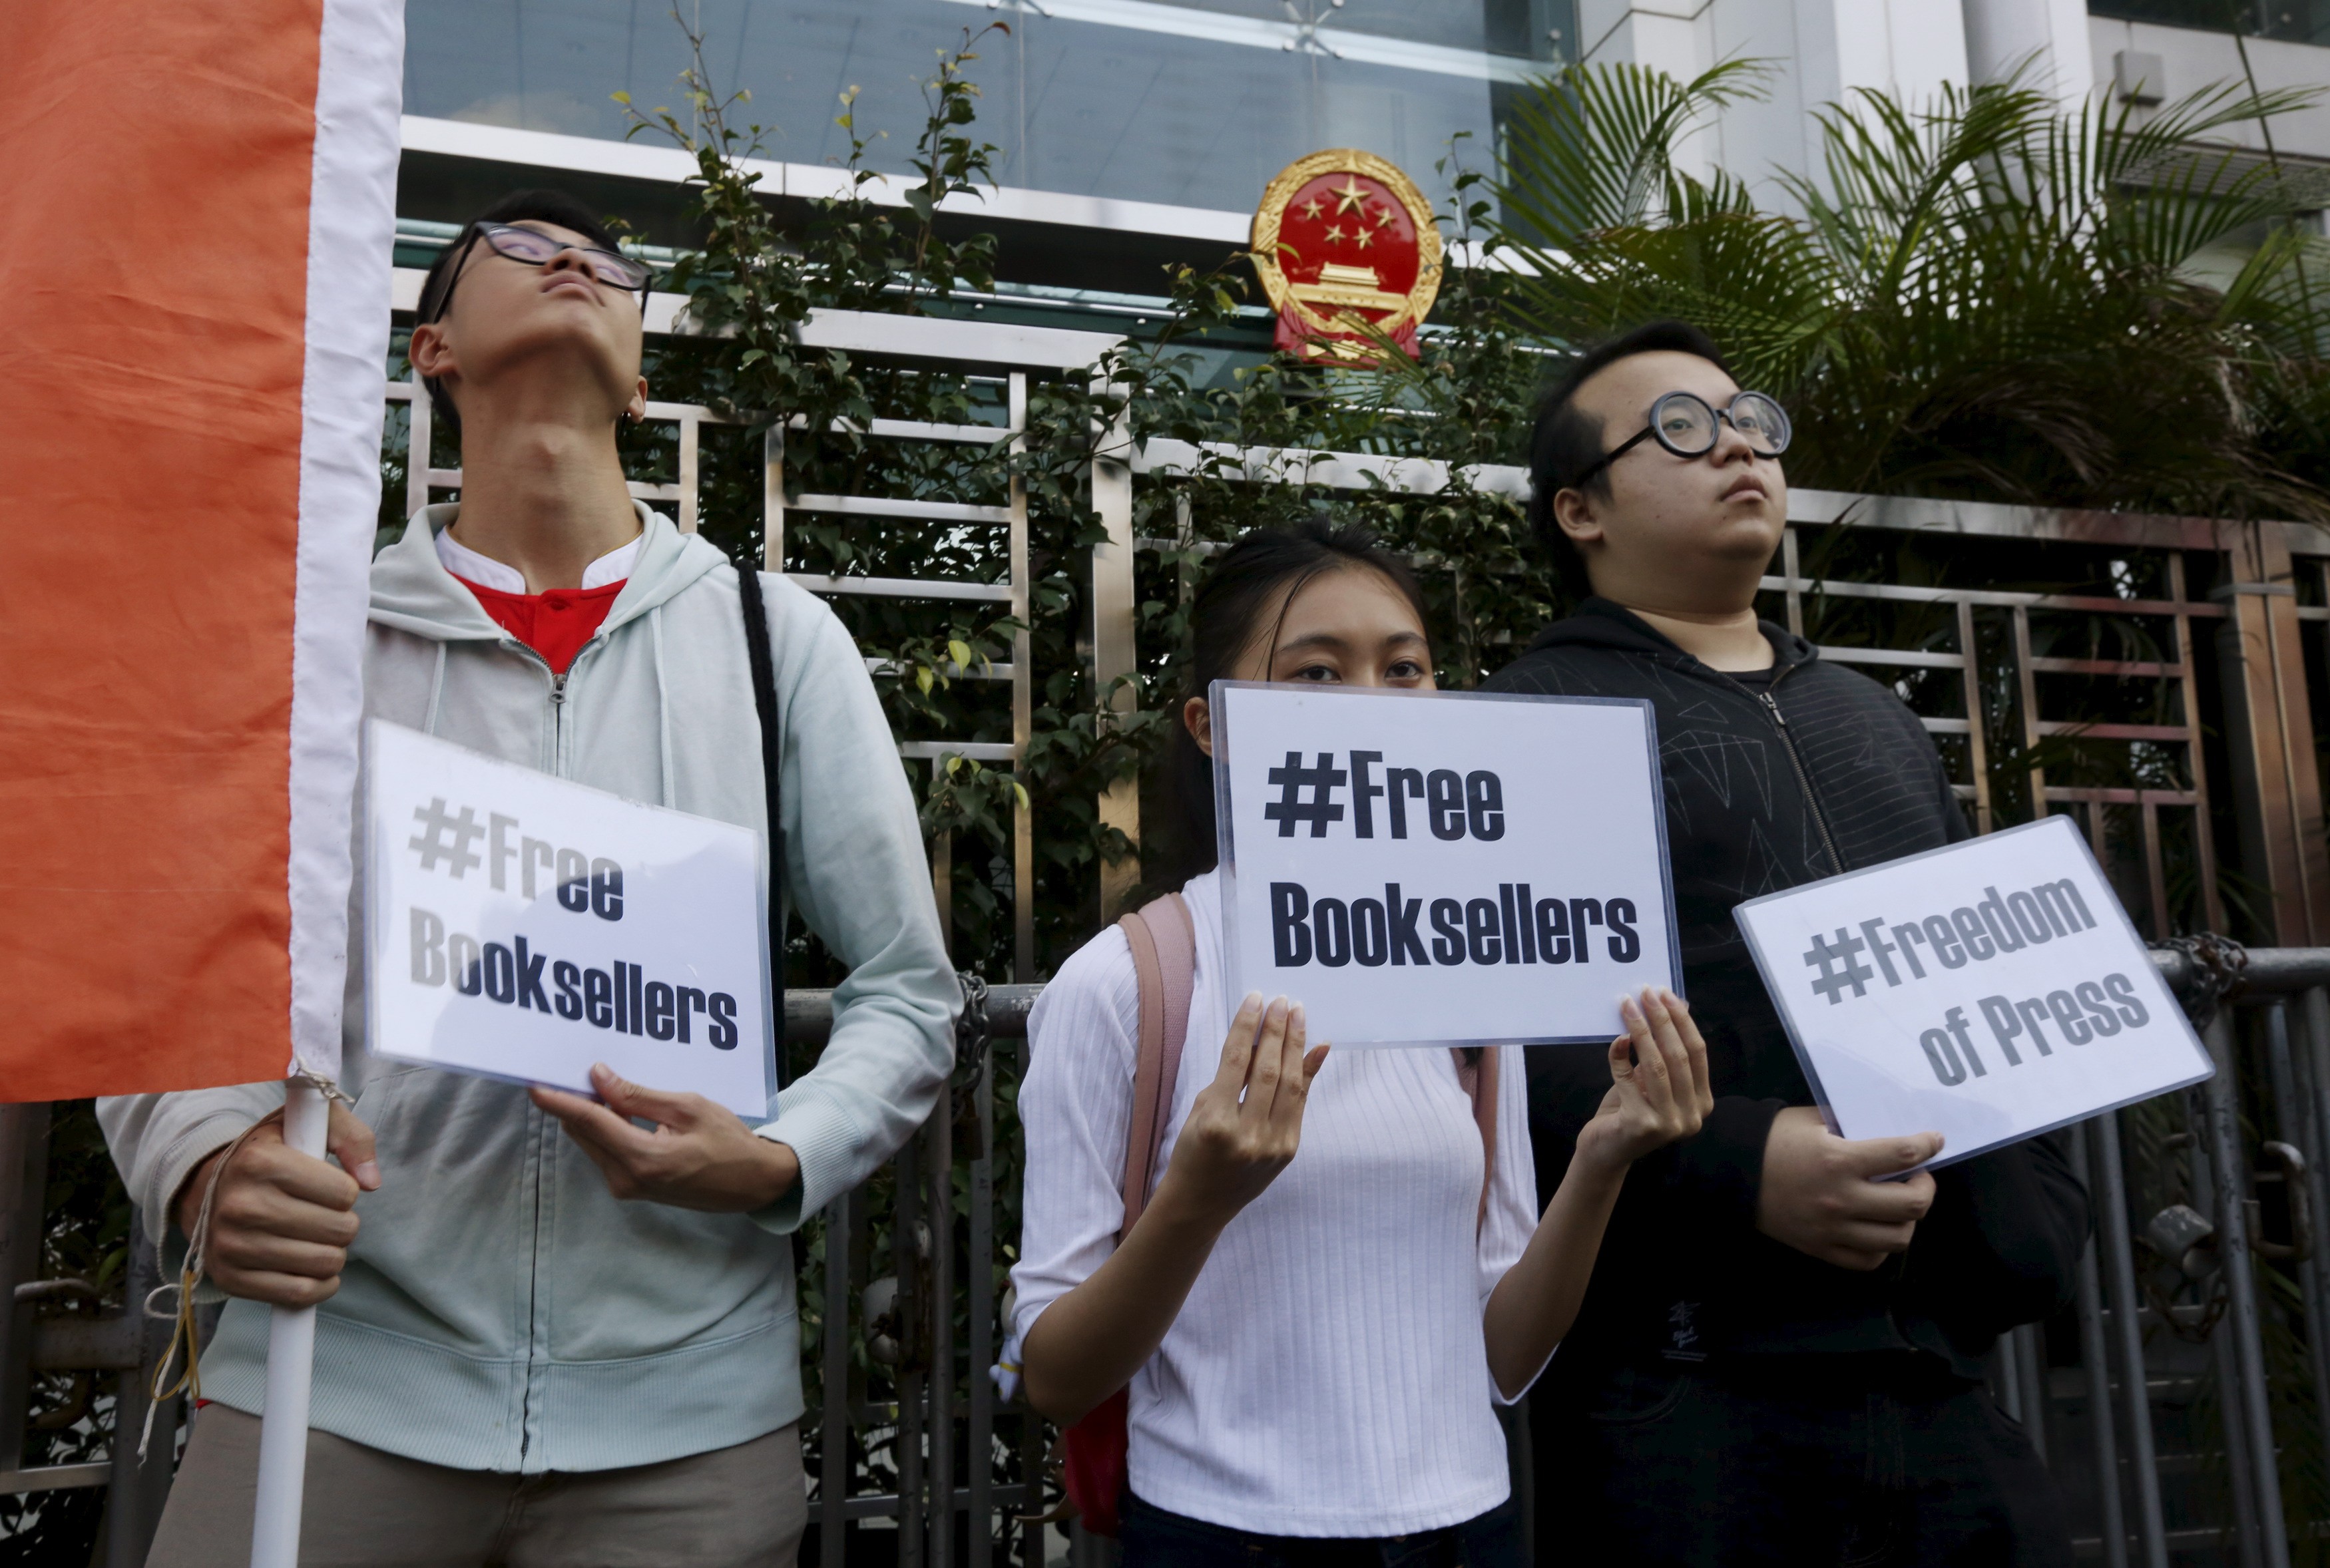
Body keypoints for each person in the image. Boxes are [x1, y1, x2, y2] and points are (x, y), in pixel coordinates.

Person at [99, 190, 959, 1568]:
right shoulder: (308, 642)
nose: (571, 260)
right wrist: (201, 1154)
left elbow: (908, 992)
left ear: (641, 357)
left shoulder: (772, 639)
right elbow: (166, 950)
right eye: (516, 246)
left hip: (693, 1421)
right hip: (331, 1383)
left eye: (610, 263)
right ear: (431, 347)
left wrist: (786, 1153)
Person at [1483, 320, 2089, 1567]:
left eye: (1751, 421)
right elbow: (1502, 1059)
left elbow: (1985, 981)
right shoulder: (1529, 722)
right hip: (1690, 1385)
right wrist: (1745, 1162)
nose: (1738, 447)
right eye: (1684, 430)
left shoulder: (1872, 715)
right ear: (1579, 511)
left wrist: (2043, 1202)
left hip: (1942, 1379)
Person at [1011, 520, 1715, 1568]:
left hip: (1470, 1529)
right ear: (1214, 727)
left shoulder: (1480, 986)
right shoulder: (1127, 984)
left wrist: (1605, 1160)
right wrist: (1198, 1198)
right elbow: (1056, 1377)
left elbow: (1504, 1357)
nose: (1373, 707)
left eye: (1406, 670)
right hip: (1221, 1537)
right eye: (1317, 672)